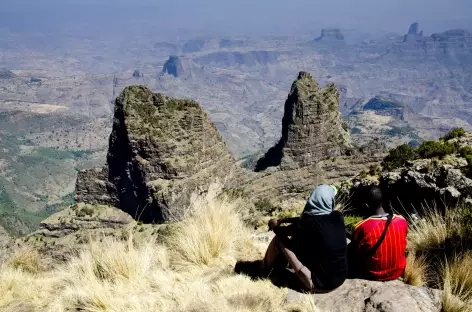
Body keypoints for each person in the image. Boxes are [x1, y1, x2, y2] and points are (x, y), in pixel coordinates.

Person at [260, 184, 348, 292]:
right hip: (340, 278)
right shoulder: (338, 216)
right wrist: (282, 220)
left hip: (319, 284)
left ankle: (265, 269)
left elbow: (286, 235)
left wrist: (275, 227)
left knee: (279, 241)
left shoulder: (310, 225)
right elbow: (300, 221)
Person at [348, 185, 408, 281]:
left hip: (373, 274)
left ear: (366, 205)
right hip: (398, 272)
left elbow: (356, 251)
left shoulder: (361, 227)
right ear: (382, 201)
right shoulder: (401, 221)